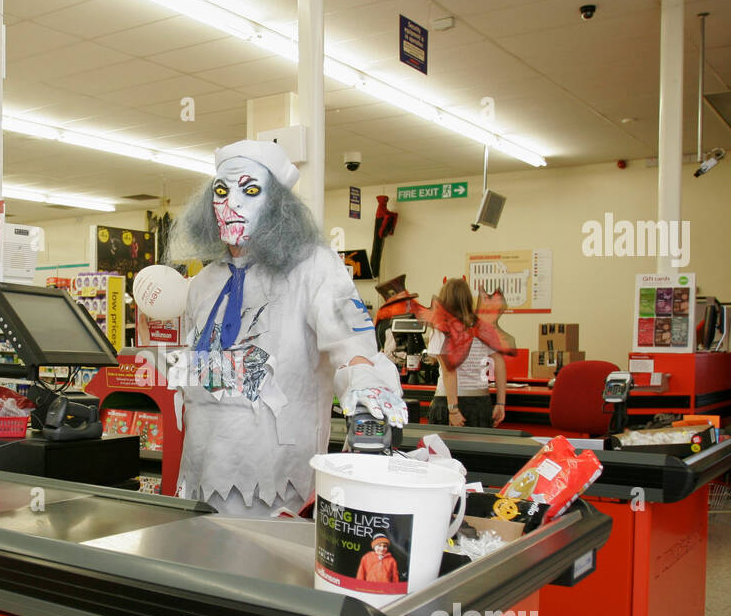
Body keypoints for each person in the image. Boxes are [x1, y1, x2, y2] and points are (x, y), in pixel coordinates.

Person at [165, 140, 408, 517]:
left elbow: (351, 343)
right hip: (201, 472)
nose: (232, 203)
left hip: (278, 481)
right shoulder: (202, 284)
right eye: (221, 191)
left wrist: (365, 387)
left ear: (278, 205)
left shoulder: (316, 267)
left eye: (249, 190)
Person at [421, 278, 510, 428]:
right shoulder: (485, 328)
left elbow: (450, 371)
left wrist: (453, 409)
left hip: (448, 400)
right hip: (480, 401)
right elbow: (499, 363)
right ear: (469, 299)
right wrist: (501, 403)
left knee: (443, 450)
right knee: (477, 450)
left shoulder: (442, 329)